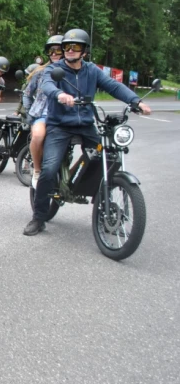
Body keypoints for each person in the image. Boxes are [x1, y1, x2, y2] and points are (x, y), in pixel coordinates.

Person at [24, 28, 152, 236]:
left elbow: (113, 86)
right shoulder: (53, 69)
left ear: (84, 51)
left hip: (85, 124)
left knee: (107, 160)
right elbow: (47, 85)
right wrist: (59, 94)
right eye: (66, 46)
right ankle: (38, 218)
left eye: (75, 47)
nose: (70, 50)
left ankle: (104, 210)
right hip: (59, 126)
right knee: (48, 170)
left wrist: (136, 101)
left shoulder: (91, 70)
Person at [23, 35, 63, 189]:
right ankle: (37, 170)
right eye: (51, 51)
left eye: (57, 50)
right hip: (42, 113)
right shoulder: (40, 72)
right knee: (38, 136)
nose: (53, 54)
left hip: (65, 116)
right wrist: (28, 111)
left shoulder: (72, 72)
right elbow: (27, 93)